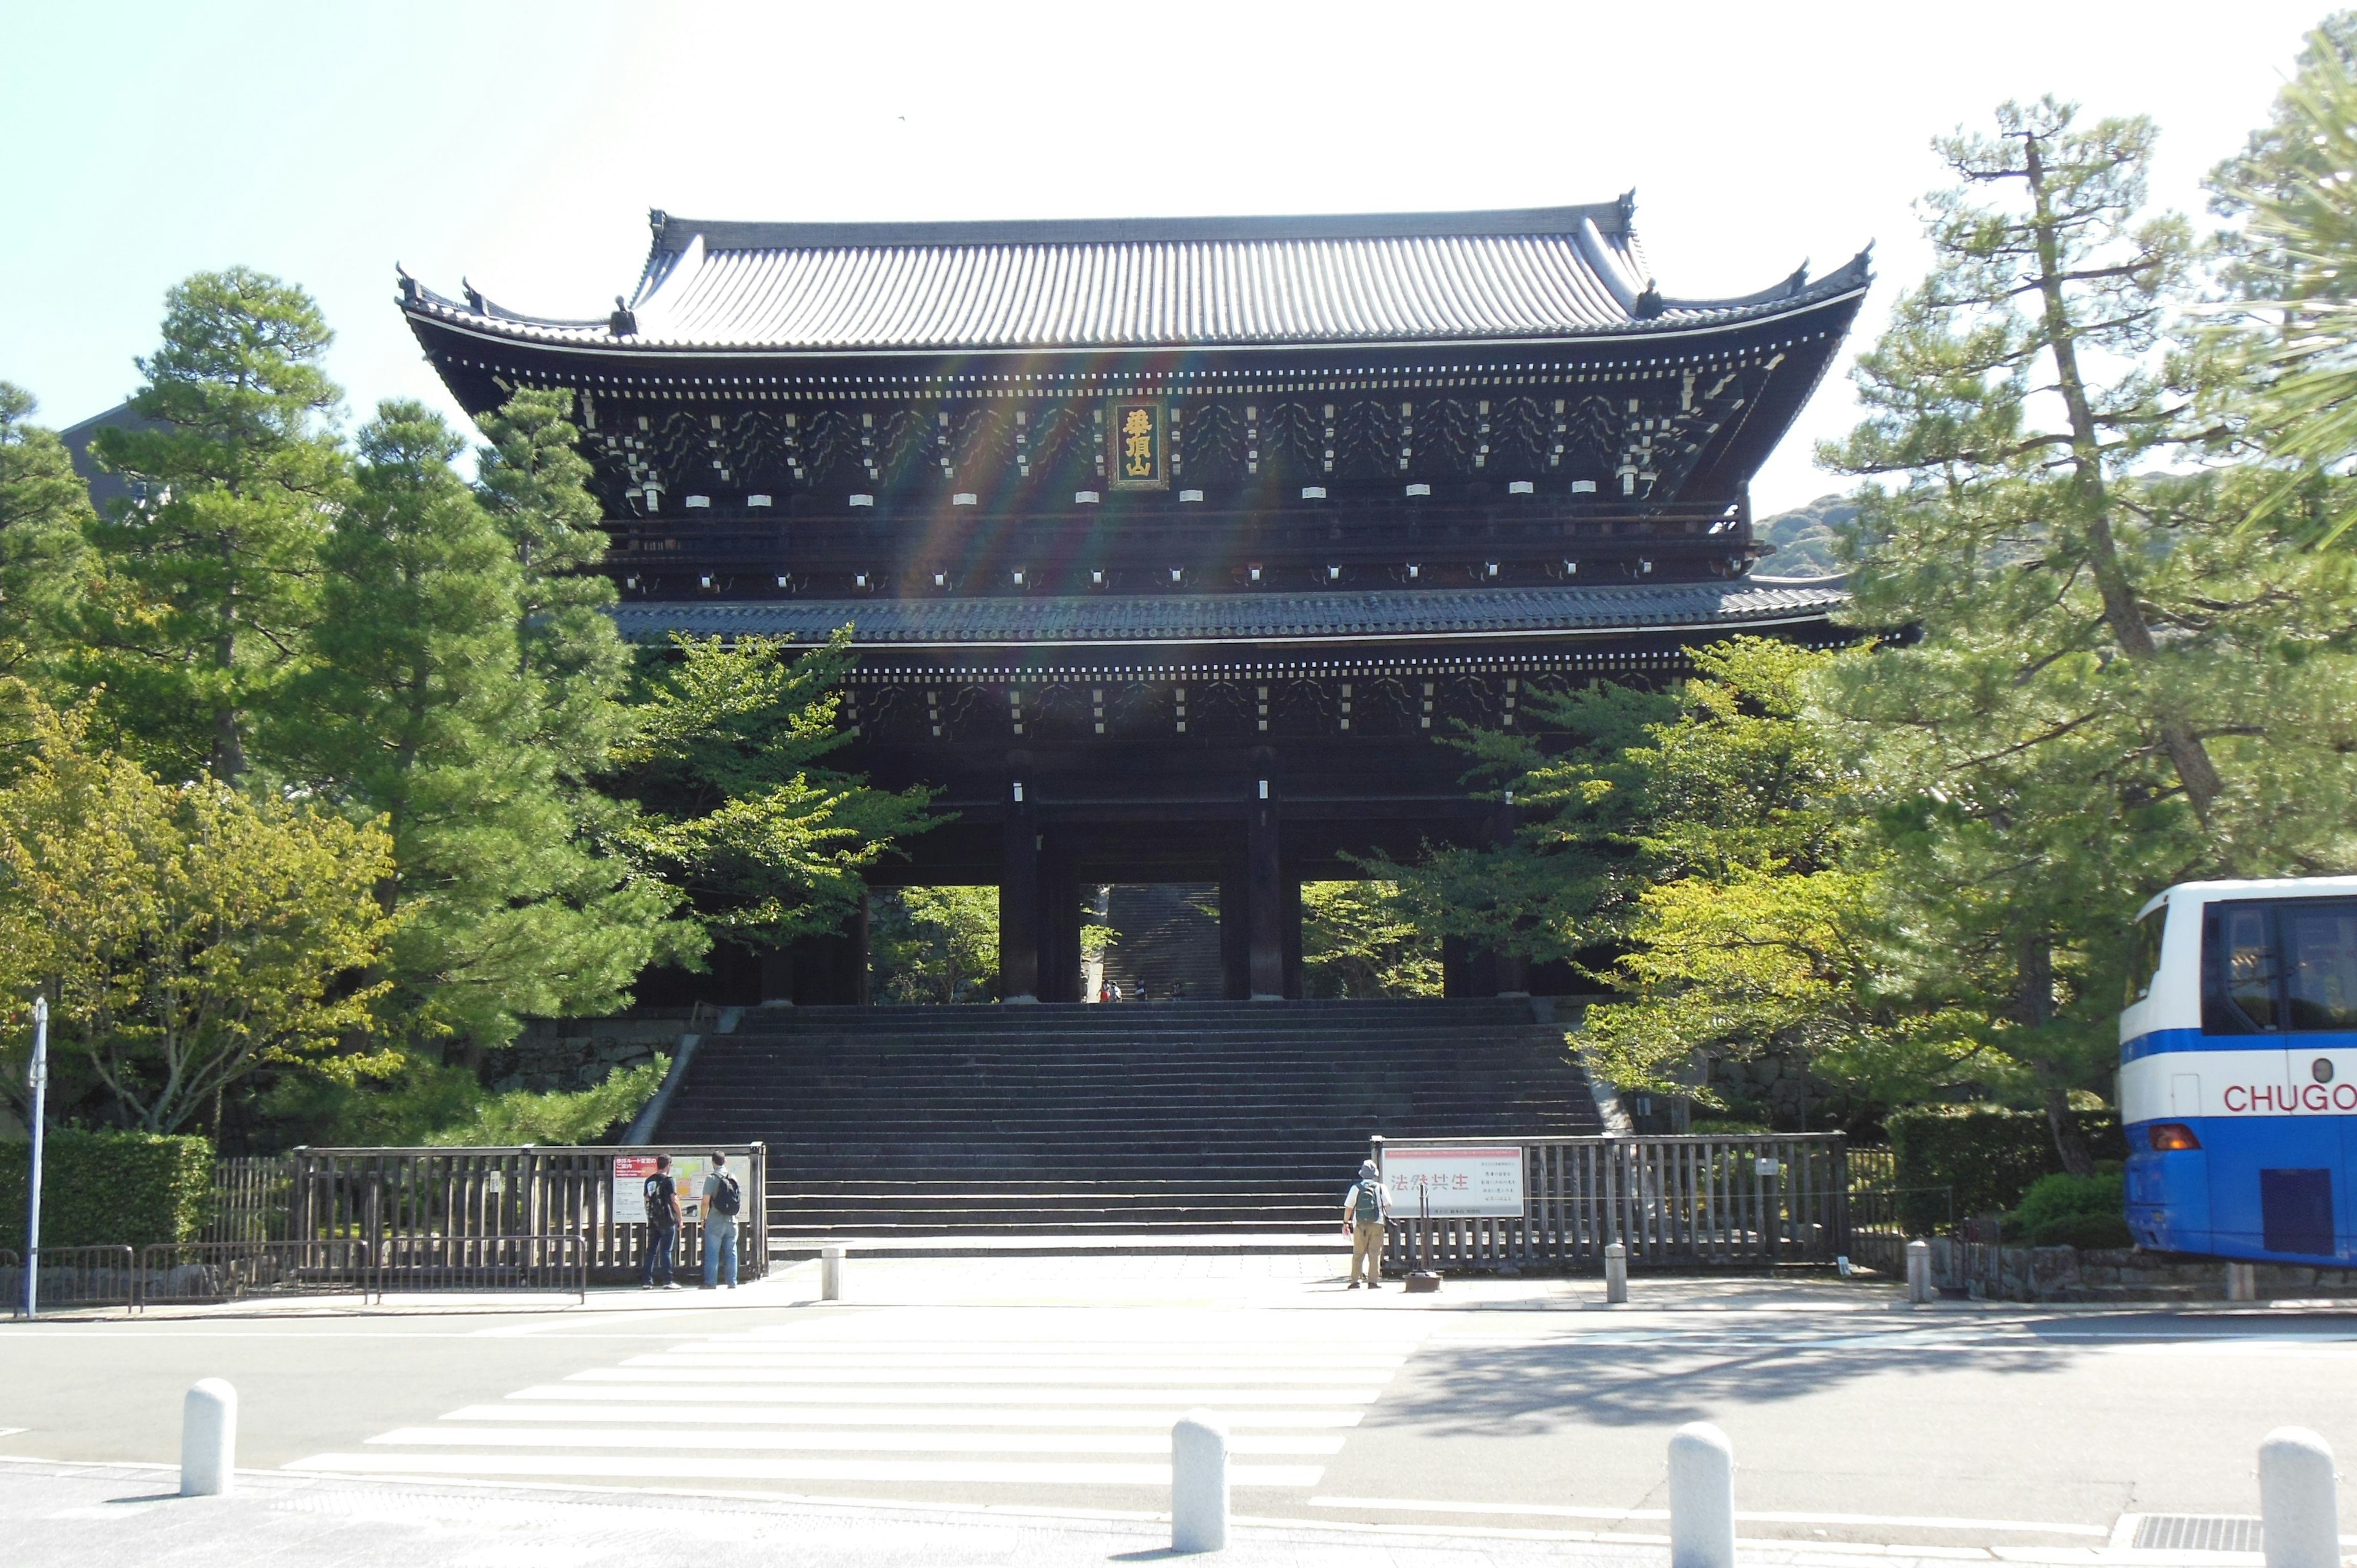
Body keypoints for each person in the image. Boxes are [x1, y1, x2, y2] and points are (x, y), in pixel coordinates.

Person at [1342, 1159, 1391, 1291]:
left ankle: (1356, 1281)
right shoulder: (1381, 1187)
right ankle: (1373, 1282)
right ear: (1375, 1174)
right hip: (1377, 1223)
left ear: (1362, 1174)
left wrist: (1345, 1222)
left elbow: (1349, 1207)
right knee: (1375, 1253)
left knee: (1358, 1253)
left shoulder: (1356, 1188)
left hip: (1360, 1224)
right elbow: (1389, 1204)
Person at [702, 1149, 743, 1290]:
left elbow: (706, 1201)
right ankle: (732, 1282)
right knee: (731, 1251)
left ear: (713, 1162)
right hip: (732, 1220)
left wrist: (703, 1218)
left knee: (713, 1252)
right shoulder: (733, 1177)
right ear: (725, 1161)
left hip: (715, 1220)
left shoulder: (712, 1179)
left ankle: (711, 1283)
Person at [640, 1154, 681, 1290]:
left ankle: (647, 1281)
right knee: (666, 1251)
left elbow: (647, 1198)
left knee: (651, 1251)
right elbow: (674, 1201)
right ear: (668, 1165)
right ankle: (667, 1281)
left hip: (653, 1219)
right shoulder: (669, 1180)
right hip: (667, 1219)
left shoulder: (649, 1180)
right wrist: (680, 1218)